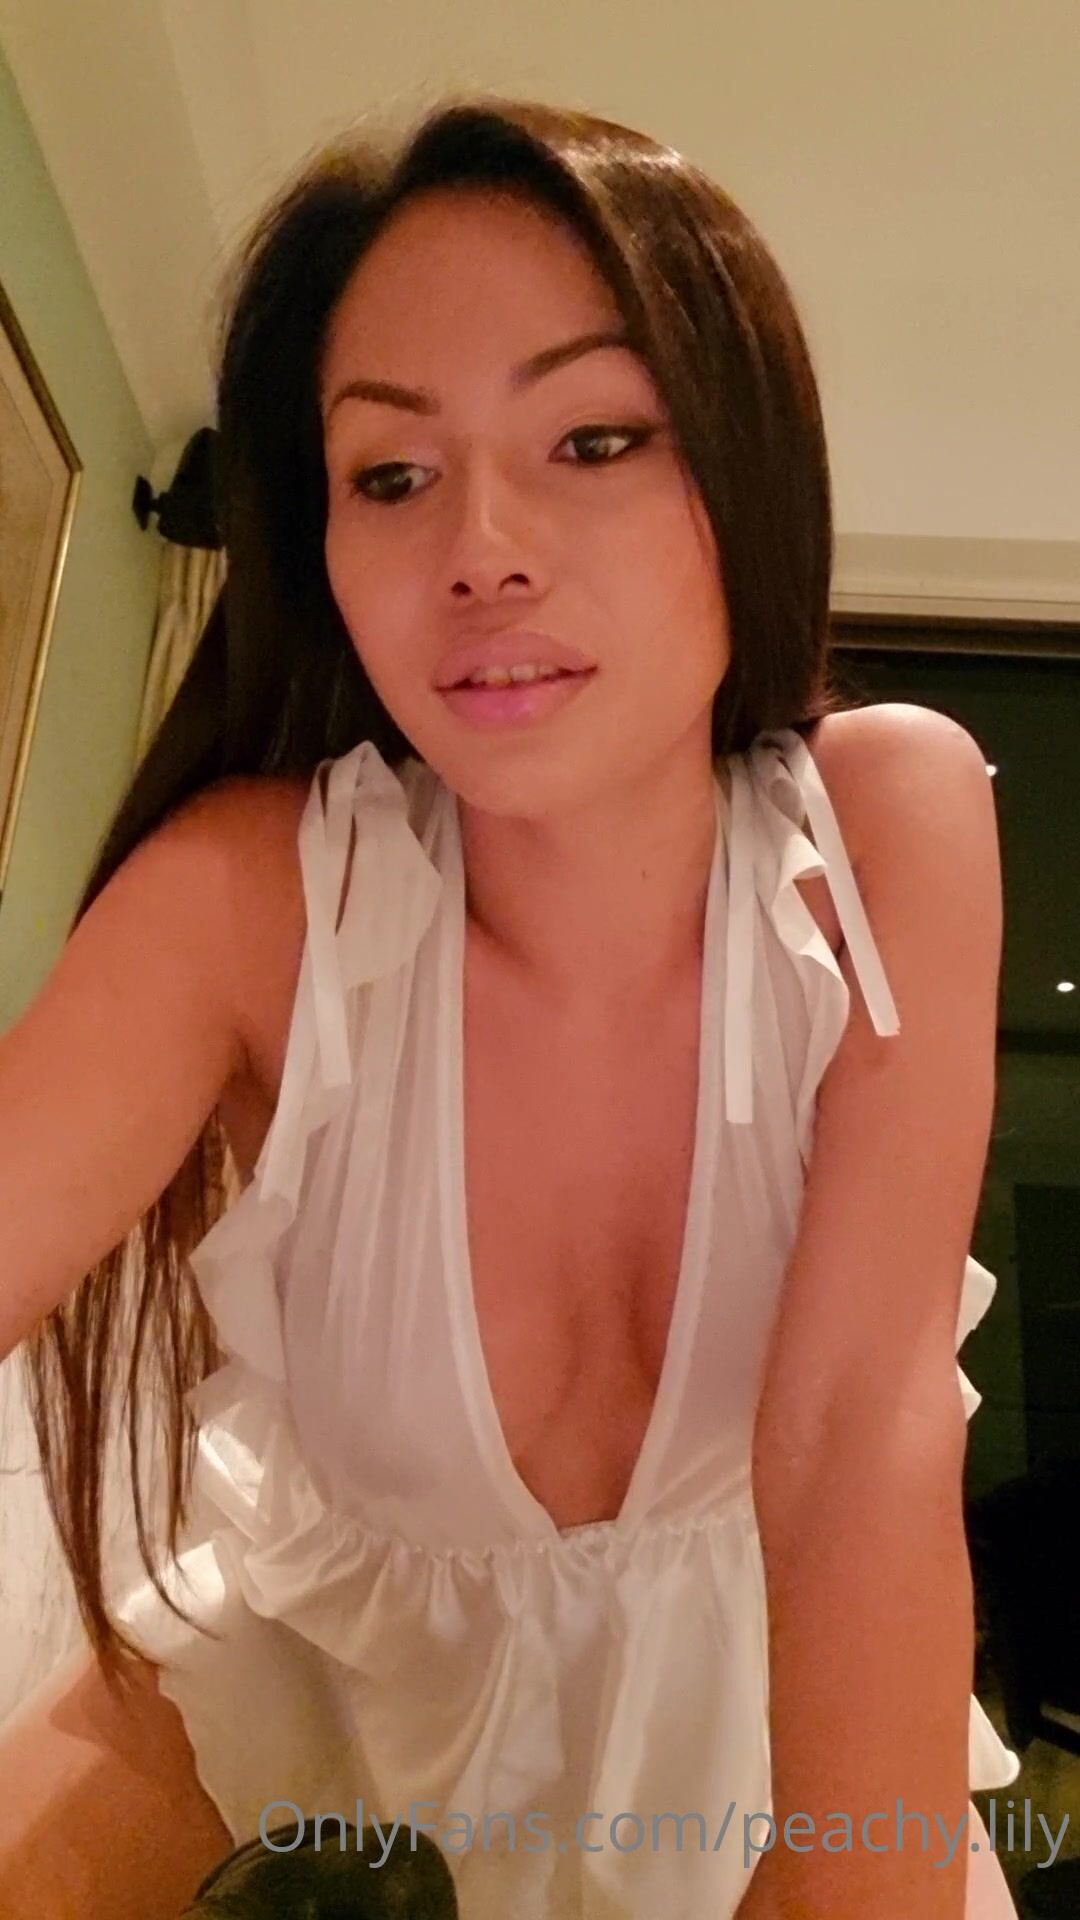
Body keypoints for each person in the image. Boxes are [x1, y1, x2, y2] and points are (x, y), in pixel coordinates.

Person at [0, 95, 1021, 1919]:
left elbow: (857, 1435)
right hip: (318, 1749)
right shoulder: (251, 903)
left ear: (743, 464)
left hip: (790, 1743)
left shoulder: (882, 831)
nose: (483, 547)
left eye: (595, 438)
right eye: (391, 476)